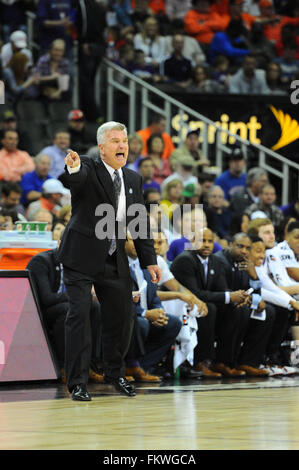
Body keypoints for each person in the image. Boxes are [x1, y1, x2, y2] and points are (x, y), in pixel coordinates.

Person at [57, 121, 161, 401]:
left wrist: (149, 260)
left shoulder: (133, 178)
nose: (122, 146)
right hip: (80, 255)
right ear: (102, 147)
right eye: (115, 141)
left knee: (123, 317)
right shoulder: (89, 167)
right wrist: (74, 167)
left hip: (113, 258)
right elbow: (73, 181)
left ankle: (115, 374)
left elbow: (138, 223)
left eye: (124, 141)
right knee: (79, 314)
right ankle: (77, 381)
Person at [171, 227, 250, 377]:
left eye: (210, 241)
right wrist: (229, 297)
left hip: (202, 304)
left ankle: (223, 361)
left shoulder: (215, 260)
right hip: (180, 305)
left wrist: (236, 299)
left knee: (236, 310)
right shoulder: (185, 260)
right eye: (202, 240)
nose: (206, 245)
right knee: (210, 308)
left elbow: (222, 289)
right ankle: (199, 362)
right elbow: (196, 293)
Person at [27, 238, 103, 383]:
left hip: (67, 305)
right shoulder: (41, 261)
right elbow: (47, 298)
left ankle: (89, 365)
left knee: (95, 308)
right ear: (61, 242)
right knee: (70, 309)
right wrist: (81, 295)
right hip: (42, 311)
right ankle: (64, 367)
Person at [215, 232, 275, 376]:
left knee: (268, 312)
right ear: (230, 245)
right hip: (220, 304)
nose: (244, 251)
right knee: (239, 311)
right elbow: (222, 289)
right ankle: (224, 362)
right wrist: (244, 299)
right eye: (240, 246)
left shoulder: (244, 262)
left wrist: (253, 275)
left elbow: (253, 290)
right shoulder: (220, 261)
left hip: (239, 303)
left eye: (247, 248)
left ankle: (248, 362)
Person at [125, 233, 182, 379]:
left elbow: (154, 297)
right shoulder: (118, 265)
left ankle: (142, 366)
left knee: (173, 323)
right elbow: (120, 300)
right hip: (127, 315)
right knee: (141, 323)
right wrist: (145, 313)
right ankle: (130, 365)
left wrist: (159, 313)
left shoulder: (146, 266)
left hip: (147, 314)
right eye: (132, 240)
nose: (136, 243)